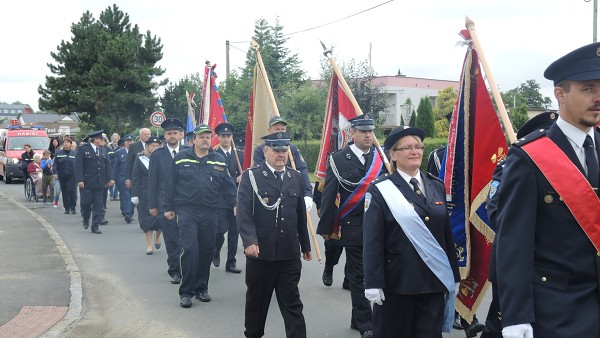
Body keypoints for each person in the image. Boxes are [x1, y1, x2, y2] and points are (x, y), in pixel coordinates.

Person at [495, 43, 600, 338]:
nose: (598, 97)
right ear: (561, 93)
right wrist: (515, 317)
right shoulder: (528, 157)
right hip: (558, 309)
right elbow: (513, 243)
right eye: (588, 89)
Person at [362, 125, 460, 338]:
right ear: (393, 155)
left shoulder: (436, 185)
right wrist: (373, 282)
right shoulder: (380, 190)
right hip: (397, 284)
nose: (415, 151)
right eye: (407, 148)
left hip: (433, 281)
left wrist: (454, 273)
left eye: (418, 146)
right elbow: (373, 241)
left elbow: (446, 236)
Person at [480, 111, 558, 338]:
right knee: (501, 324)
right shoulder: (511, 165)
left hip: (559, 267)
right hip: (516, 261)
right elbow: (494, 211)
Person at [237, 131, 312, 338]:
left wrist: (305, 246)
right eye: (277, 150)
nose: (281, 154)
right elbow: (243, 213)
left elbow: (299, 216)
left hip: (288, 253)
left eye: (284, 150)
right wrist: (249, 241)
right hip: (261, 253)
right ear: (266, 151)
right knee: (257, 303)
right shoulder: (251, 176)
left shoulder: (294, 177)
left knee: (292, 303)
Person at [317, 114, 384, 338]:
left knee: (376, 272)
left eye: (370, 131)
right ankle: (366, 324)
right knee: (360, 275)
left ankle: (357, 319)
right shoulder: (338, 159)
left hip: (380, 226)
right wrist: (327, 228)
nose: (368, 135)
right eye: (363, 131)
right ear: (352, 133)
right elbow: (328, 195)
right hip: (353, 225)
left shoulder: (380, 156)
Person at [163, 123, 237, 308]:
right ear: (193, 140)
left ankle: (201, 288)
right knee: (189, 250)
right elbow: (169, 184)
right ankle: (186, 292)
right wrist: (167, 207)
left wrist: (235, 204)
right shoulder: (181, 158)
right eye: (201, 136)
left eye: (207, 136)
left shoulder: (218, 159)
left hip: (211, 212)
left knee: (206, 251)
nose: (205, 139)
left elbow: (228, 185)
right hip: (187, 211)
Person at [148, 118, 187, 284]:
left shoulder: (188, 152)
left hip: (186, 203)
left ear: (181, 134)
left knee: (186, 239)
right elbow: (152, 181)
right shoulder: (158, 155)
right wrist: (152, 205)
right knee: (171, 239)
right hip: (165, 204)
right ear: (165, 135)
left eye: (175, 133)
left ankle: (187, 267)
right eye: (169, 133)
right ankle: (174, 270)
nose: (172, 136)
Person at [252, 116, 313, 209]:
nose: (280, 132)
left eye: (282, 129)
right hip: (269, 195)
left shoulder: (292, 149)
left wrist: (308, 194)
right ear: (269, 130)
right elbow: (260, 174)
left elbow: (302, 170)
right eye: (277, 129)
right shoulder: (261, 150)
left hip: (291, 192)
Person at [212, 122, 243, 273]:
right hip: (220, 200)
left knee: (234, 232)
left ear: (232, 137)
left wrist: (243, 177)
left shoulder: (240, 155)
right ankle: (215, 250)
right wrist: (234, 180)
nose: (225, 139)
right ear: (217, 137)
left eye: (228, 136)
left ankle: (231, 262)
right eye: (222, 136)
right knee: (219, 230)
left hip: (237, 200)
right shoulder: (213, 156)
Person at [74, 130, 114, 234]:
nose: (103, 141)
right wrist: (80, 180)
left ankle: (95, 225)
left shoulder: (103, 150)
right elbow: (78, 166)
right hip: (86, 182)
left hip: (100, 181)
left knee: (98, 204)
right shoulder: (83, 149)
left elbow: (107, 165)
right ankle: (86, 218)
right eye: (101, 139)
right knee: (86, 203)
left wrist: (110, 178)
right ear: (95, 139)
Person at [313, 181, 348, 289]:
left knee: (354, 246)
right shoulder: (330, 163)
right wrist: (319, 205)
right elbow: (321, 183)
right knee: (333, 245)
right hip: (333, 209)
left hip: (355, 209)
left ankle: (350, 278)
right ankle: (329, 267)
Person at [131, 136, 162, 255]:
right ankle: (150, 245)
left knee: (160, 219)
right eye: (152, 145)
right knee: (146, 219)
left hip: (160, 193)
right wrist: (134, 194)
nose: (155, 147)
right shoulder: (140, 158)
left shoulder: (162, 158)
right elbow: (136, 176)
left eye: (157, 145)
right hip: (145, 193)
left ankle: (158, 236)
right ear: (147, 147)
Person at [113, 134, 135, 223]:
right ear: (124, 143)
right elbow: (116, 166)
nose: (129, 143)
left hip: (134, 179)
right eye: (127, 141)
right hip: (122, 178)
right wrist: (113, 178)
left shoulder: (137, 152)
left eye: (131, 141)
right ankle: (127, 213)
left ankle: (130, 212)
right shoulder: (119, 152)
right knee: (126, 196)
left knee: (133, 197)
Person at [53, 137, 77, 214]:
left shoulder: (74, 153)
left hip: (72, 175)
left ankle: (73, 207)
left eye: (67, 142)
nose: (66, 143)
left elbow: (78, 165)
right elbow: (55, 164)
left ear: (70, 144)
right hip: (62, 175)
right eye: (65, 142)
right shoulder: (58, 153)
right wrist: (55, 173)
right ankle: (67, 208)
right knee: (64, 191)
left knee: (71, 190)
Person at [107, 132, 120, 201]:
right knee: (111, 180)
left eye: (116, 139)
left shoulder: (120, 146)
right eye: (114, 139)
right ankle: (111, 194)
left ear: (118, 139)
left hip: (118, 166)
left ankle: (116, 194)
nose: (115, 140)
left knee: (117, 180)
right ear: (111, 139)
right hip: (111, 165)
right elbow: (108, 156)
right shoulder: (108, 146)